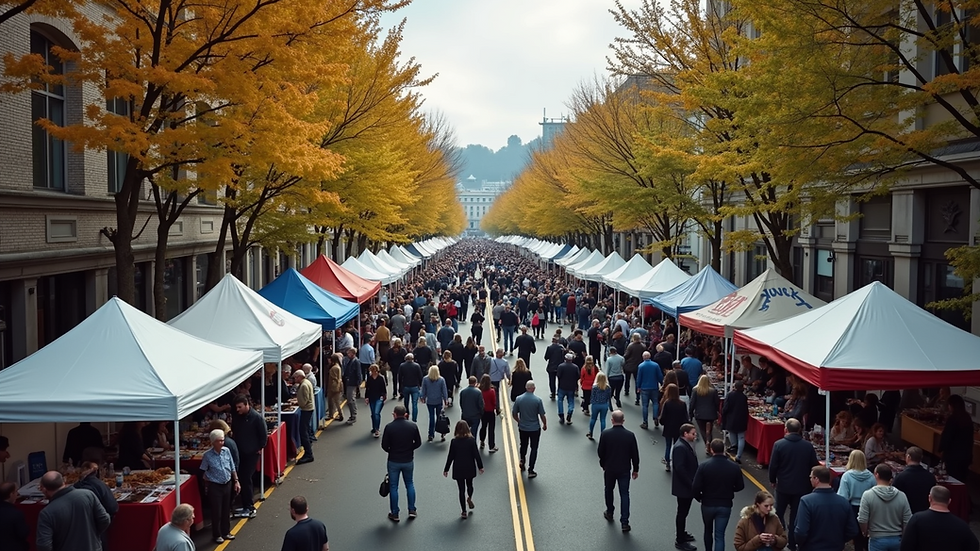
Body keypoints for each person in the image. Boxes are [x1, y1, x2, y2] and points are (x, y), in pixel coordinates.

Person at [768, 418, 819, 551]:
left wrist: (772, 480)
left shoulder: (779, 445)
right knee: (796, 517)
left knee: (778, 513)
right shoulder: (808, 446)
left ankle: (778, 540)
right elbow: (814, 466)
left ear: (786, 429)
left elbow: (773, 466)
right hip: (802, 487)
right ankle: (792, 543)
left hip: (783, 486)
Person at [36, 471, 110, 551]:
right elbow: (105, 520)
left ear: (43, 489)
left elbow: (44, 546)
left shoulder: (47, 513)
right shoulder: (88, 494)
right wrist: (93, 536)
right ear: (64, 481)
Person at [693, 439, 745, 551]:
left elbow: (695, 487)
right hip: (725, 505)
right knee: (719, 535)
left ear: (711, 450)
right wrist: (731, 490)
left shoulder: (704, 466)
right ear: (724, 449)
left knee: (708, 530)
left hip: (707, 504)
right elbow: (740, 486)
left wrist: (700, 498)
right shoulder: (734, 467)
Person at [795, 466, 859, 551]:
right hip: (836, 547)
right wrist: (840, 541)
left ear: (816, 479)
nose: (810, 479)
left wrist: (802, 545)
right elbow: (853, 530)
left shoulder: (806, 501)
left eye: (811, 477)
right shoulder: (843, 502)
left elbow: (801, 531)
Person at [900, 485, 979, 551]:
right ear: (949, 501)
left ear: (930, 498)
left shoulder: (917, 519)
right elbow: (974, 546)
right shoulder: (961, 525)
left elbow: (905, 546)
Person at [597, 410, 640, 532]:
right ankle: (625, 522)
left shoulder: (605, 434)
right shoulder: (630, 435)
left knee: (608, 489)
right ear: (623, 421)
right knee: (624, 494)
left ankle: (610, 511)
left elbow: (601, 452)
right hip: (624, 469)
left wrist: (603, 463)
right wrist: (635, 469)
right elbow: (635, 454)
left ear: (612, 420)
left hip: (610, 468)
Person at [381, 404, 422, 522]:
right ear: (406, 415)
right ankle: (412, 510)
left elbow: (384, 445)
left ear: (394, 414)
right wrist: (410, 449)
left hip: (394, 460)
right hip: (408, 459)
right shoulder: (412, 426)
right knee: (409, 483)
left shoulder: (389, 427)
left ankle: (395, 513)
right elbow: (418, 443)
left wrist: (391, 450)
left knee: (393, 486)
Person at [857, 464, 911, 551]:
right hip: (896, 539)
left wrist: (865, 532)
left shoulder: (868, 495)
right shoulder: (901, 496)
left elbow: (862, 519)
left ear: (876, 475)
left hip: (876, 538)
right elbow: (907, 520)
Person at [200, 429, 239, 544]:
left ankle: (226, 532)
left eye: (222, 440)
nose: (222, 443)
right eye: (219, 441)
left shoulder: (226, 451)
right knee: (217, 511)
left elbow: (232, 467)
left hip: (227, 483)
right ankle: (217, 534)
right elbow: (202, 471)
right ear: (213, 442)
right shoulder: (207, 456)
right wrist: (207, 478)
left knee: (226, 509)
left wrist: (236, 481)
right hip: (215, 486)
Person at [231, 394, 266, 518]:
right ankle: (245, 504)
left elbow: (263, 435)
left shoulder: (257, 418)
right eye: (236, 407)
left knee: (246, 479)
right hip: (240, 453)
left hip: (251, 454)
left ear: (247, 405)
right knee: (242, 478)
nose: (238, 410)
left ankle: (250, 507)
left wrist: (259, 448)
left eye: (240, 407)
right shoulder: (238, 417)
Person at [443, 420, 485, 519]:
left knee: (461, 490)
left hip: (458, 467)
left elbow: (451, 456)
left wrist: (446, 469)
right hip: (469, 466)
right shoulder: (471, 440)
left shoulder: (454, 442)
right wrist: (480, 466)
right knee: (470, 485)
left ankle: (463, 511)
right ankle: (469, 497)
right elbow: (476, 455)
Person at [73, 460, 117, 551]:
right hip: (97, 526)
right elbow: (113, 507)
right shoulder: (101, 485)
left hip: (78, 528)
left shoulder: (75, 486)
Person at [837, 450, 875, 551]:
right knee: (866, 534)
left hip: (852, 507)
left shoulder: (847, 476)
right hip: (868, 507)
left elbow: (843, 496)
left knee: (856, 534)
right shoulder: (871, 476)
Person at [672, 423, 699, 551]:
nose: (695, 436)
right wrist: (691, 483)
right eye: (693, 433)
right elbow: (680, 468)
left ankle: (682, 533)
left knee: (684, 512)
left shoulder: (685, 445)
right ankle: (680, 540)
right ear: (685, 434)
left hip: (685, 486)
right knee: (682, 513)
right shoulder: (680, 448)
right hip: (684, 488)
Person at [512, 380, 548, 478]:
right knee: (534, 448)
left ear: (526, 387)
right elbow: (542, 415)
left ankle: (522, 459)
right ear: (533, 388)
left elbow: (514, 414)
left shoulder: (519, 399)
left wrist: (519, 421)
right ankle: (531, 469)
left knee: (523, 445)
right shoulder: (537, 400)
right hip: (534, 428)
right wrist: (544, 424)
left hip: (523, 427)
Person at [939, 394, 975, 483]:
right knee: (961, 480)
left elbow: (947, 437)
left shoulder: (953, 419)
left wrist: (941, 449)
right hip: (965, 456)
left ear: (951, 405)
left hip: (953, 456)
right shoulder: (967, 418)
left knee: (951, 479)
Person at [892, 447, 936, 514]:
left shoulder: (900, 477)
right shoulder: (930, 477)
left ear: (908, 457)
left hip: (906, 514)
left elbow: (894, 498)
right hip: (924, 514)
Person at [660, 383, 689, 472]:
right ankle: (676, 462)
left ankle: (668, 462)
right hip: (679, 428)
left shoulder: (667, 403)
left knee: (668, 445)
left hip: (668, 427)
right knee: (677, 445)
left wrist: (662, 422)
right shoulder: (682, 404)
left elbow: (663, 417)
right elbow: (685, 417)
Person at [690, 375, 720, 455]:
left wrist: (690, 413)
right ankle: (709, 442)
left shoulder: (695, 390)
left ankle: (706, 444)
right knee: (709, 431)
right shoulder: (713, 391)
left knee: (702, 430)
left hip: (699, 414)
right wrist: (717, 411)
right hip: (711, 413)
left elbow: (692, 403)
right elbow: (717, 403)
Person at [721, 380, 749, 464]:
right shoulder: (744, 397)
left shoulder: (730, 395)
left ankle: (734, 447)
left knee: (732, 433)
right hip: (741, 419)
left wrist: (723, 414)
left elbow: (725, 408)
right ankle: (738, 455)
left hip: (731, 418)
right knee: (741, 437)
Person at [420, 365, 449, 442]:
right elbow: (444, 390)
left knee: (431, 417)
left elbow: (423, 390)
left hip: (430, 401)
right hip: (438, 401)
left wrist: (422, 397)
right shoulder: (441, 380)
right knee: (440, 418)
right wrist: (445, 399)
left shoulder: (425, 379)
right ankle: (442, 433)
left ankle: (431, 434)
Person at [636, 352, 664, 430]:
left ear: (643, 357)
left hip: (644, 388)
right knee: (655, 403)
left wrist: (638, 387)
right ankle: (655, 417)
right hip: (654, 387)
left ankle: (645, 422)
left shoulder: (641, 366)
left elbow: (639, 378)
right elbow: (660, 376)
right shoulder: (655, 365)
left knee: (645, 405)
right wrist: (662, 383)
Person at [293, 370, 316, 464]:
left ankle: (308, 454)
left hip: (306, 409)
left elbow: (304, 400)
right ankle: (308, 450)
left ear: (299, 377)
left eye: (295, 377)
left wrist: (298, 402)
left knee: (303, 431)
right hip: (308, 409)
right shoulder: (306, 382)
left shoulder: (303, 385)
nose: (295, 379)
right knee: (305, 430)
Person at [0, 481, 29, 551]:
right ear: (11, 494)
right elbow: (22, 533)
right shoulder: (16, 514)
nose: (17, 494)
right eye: (16, 491)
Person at [398, 353, 424, 422]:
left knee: (406, 402)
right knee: (414, 404)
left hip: (406, 386)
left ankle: (407, 415)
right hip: (415, 386)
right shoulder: (417, 366)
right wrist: (421, 386)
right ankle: (414, 418)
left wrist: (400, 388)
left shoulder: (402, 366)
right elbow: (420, 377)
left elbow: (400, 378)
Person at [556, 352, 579, 425]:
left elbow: (558, 376)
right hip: (571, 387)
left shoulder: (561, 366)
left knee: (560, 400)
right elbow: (578, 376)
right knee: (571, 401)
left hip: (562, 386)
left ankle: (561, 415)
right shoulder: (575, 367)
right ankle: (570, 412)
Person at [364, 364, 387, 438]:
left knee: (376, 413)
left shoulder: (381, 378)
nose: (372, 372)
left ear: (377, 371)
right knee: (373, 413)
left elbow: (384, 389)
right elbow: (367, 388)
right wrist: (366, 397)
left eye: (373, 371)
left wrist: (383, 396)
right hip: (371, 397)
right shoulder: (369, 378)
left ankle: (377, 429)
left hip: (379, 397)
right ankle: (374, 427)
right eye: (371, 371)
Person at [588, 371, 613, 440]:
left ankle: (591, 433)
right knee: (603, 420)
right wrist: (610, 407)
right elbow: (609, 398)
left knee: (593, 419)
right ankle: (603, 435)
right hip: (604, 405)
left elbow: (592, 397)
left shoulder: (594, 387)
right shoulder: (608, 387)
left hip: (596, 405)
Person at [479, 374, 500, 452]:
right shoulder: (491, 390)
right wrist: (495, 408)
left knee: (483, 427)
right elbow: (494, 401)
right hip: (490, 412)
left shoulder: (479, 390)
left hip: (483, 412)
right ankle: (491, 446)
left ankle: (482, 441)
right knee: (491, 429)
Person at [341, 347, 361, 424]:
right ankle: (353, 414)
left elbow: (358, 373)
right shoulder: (352, 361)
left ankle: (353, 415)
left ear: (352, 354)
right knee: (350, 399)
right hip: (349, 382)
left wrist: (358, 383)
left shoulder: (356, 362)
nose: (347, 354)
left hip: (352, 382)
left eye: (349, 353)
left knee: (350, 399)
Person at [604, 344, 626, 408]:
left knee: (611, 391)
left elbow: (608, 369)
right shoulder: (621, 358)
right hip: (620, 376)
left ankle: (610, 404)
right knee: (618, 390)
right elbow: (623, 365)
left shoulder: (609, 359)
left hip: (612, 377)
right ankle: (618, 400)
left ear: (610, 352)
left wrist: (606, 378)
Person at [544, 336, 565, 400]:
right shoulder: (561, 348)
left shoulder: (549, 348)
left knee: (552, 380)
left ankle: (553, 393)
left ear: (552, 341)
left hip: (551, 366)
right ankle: (560, 392)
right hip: (560, 367)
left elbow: (546, 357)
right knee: (560, 380)